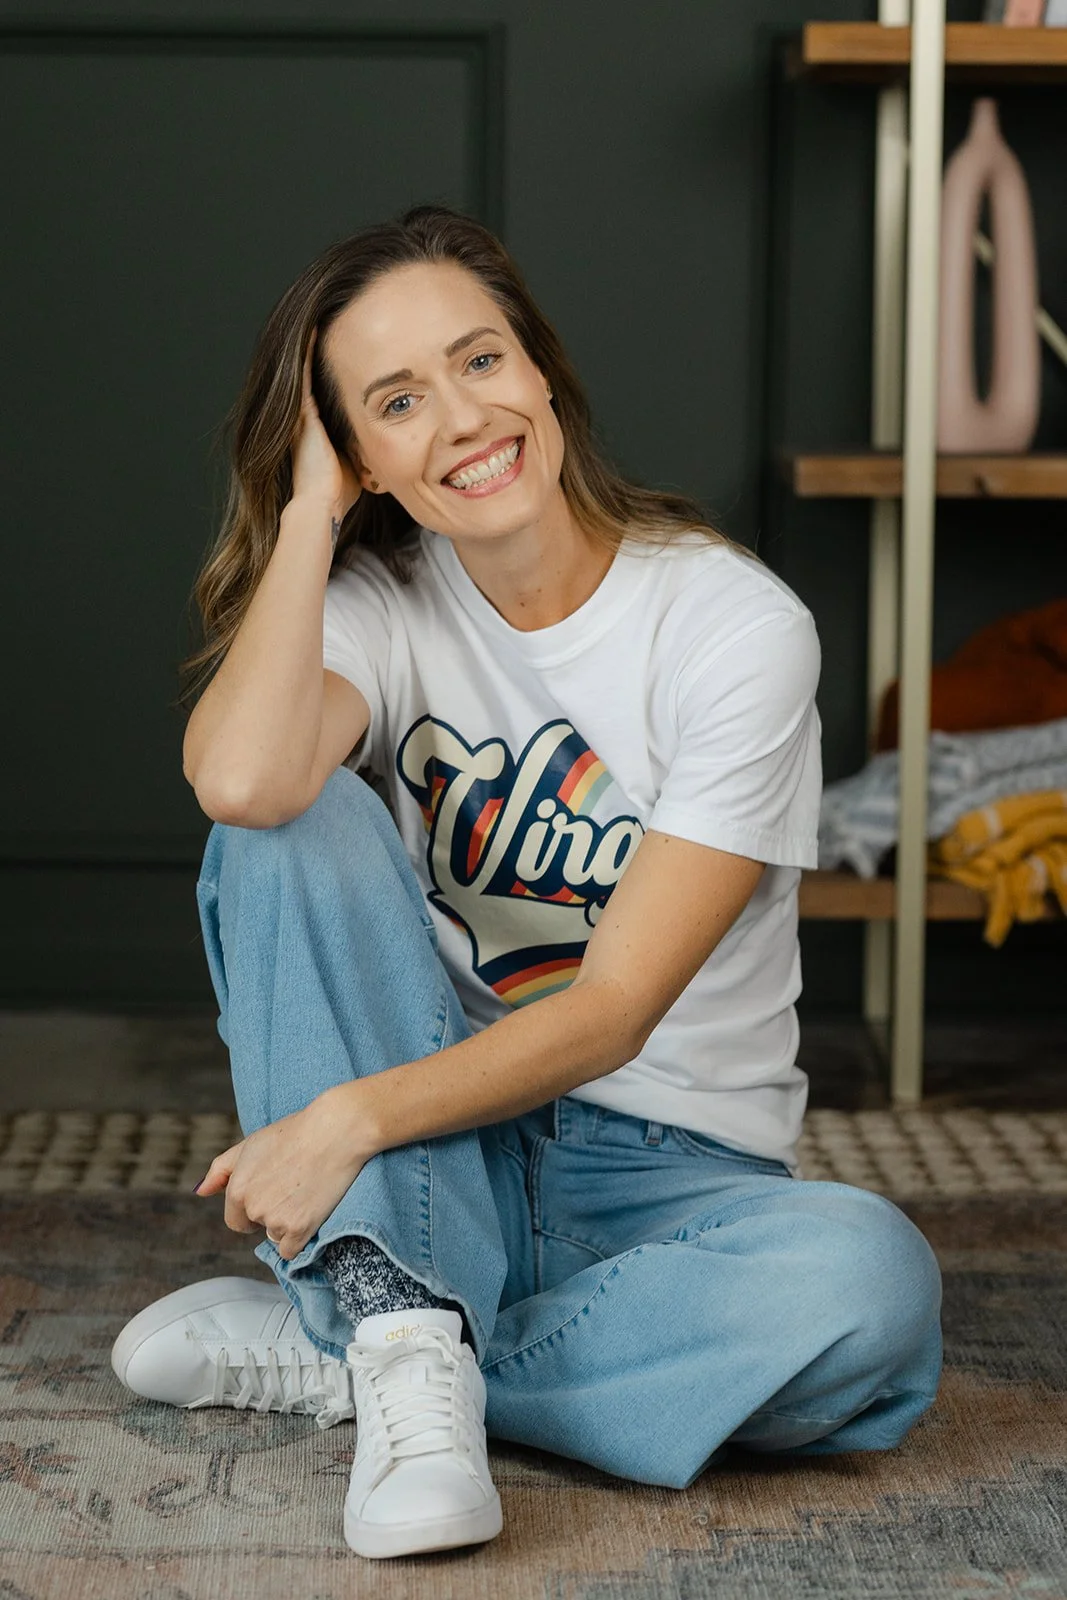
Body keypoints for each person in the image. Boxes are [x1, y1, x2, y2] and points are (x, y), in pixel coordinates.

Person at [109, 204, 943, 1562]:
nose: (460, 419)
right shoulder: (380, 606)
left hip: (667, 1180)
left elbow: (614, 1009)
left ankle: (384, 1352)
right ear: (358, 453)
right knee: (289, 825)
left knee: (867, 1291)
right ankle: (406, 1315)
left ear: (538, 370)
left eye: (478, 360)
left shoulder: (730, 630)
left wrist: (344, 1124)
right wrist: (312, 515)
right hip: (446, 1161)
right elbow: (243, 786)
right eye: (394, 401)